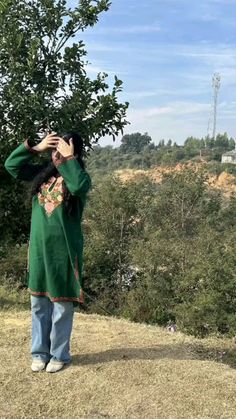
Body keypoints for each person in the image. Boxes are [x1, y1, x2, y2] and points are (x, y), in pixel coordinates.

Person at [4, 132, 92, 373]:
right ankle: (39, 352)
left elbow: (80, 186)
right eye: (55, 150)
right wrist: (37, 148)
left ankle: (59, 354)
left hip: (64, 253)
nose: (56, 155)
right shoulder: (41, 176)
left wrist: (68, 160)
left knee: (62, 306)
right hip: (40, 252)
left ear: (73, 153)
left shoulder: (77, 178)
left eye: (61, 150)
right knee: (39, 304)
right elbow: (11, 166)